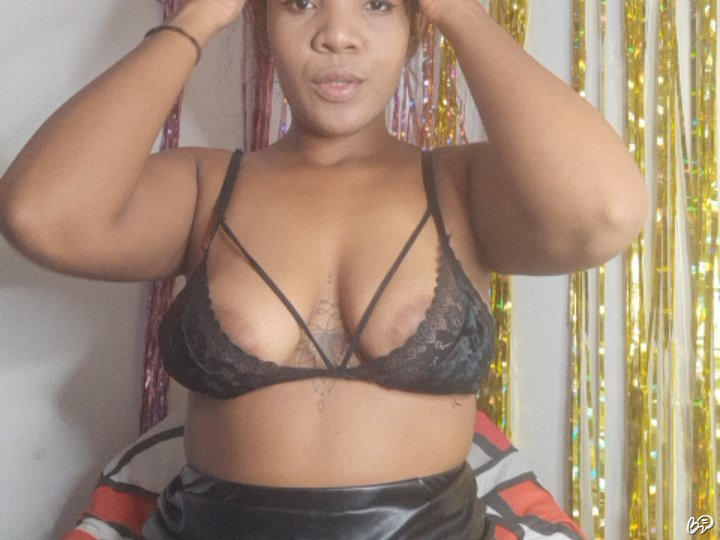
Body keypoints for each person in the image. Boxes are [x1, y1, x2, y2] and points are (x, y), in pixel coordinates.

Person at [0, 0, 647, 537]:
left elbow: (607, 211)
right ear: (262, 25)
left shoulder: (462, 188)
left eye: (378, 4)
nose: (338, 34)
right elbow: (38, 214)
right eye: (301, 2)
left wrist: (460, 13)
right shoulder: (206, 186)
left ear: (415, 26)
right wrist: (197, 20)